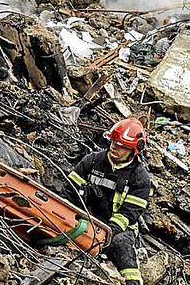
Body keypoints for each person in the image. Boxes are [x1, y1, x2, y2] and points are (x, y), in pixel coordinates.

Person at [62, 118, 151, 285]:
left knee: (121, 247)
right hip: (85, 217)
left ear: (134, 150)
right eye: (113, 142)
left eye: (122, 146)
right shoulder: (92, 161)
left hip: (118, 228)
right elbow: (69, 191)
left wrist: (106, 233)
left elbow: (128, 214)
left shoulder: (140, 179)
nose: (114, 147)